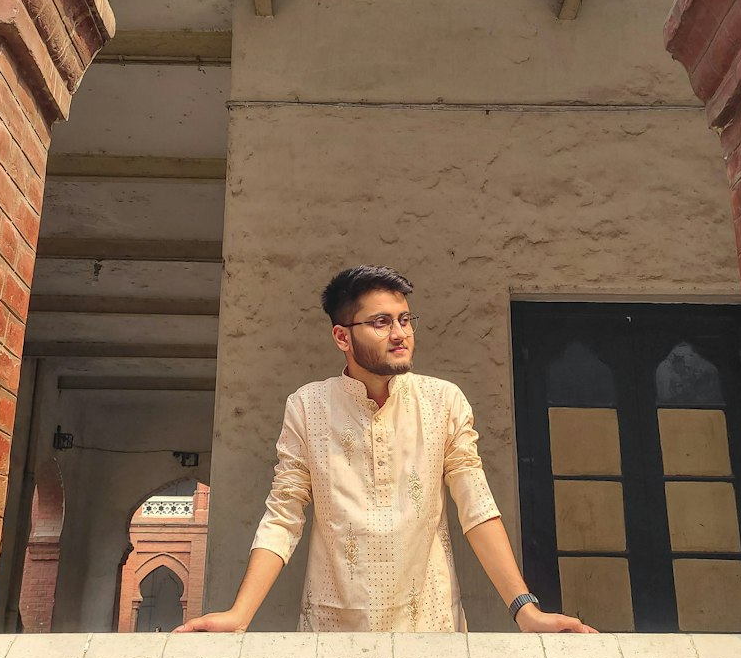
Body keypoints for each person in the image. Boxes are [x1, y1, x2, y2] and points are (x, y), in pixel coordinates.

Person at [176, 264, 595, 637]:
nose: (400, 335)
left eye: (405, 320)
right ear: (342, 336)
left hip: (431, 628)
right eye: (381, 322)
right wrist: (239, 615)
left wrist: (525, 611)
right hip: (332, 630)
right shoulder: (307, 406)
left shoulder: (443, 401)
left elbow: (477, 508)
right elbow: (283, 515)